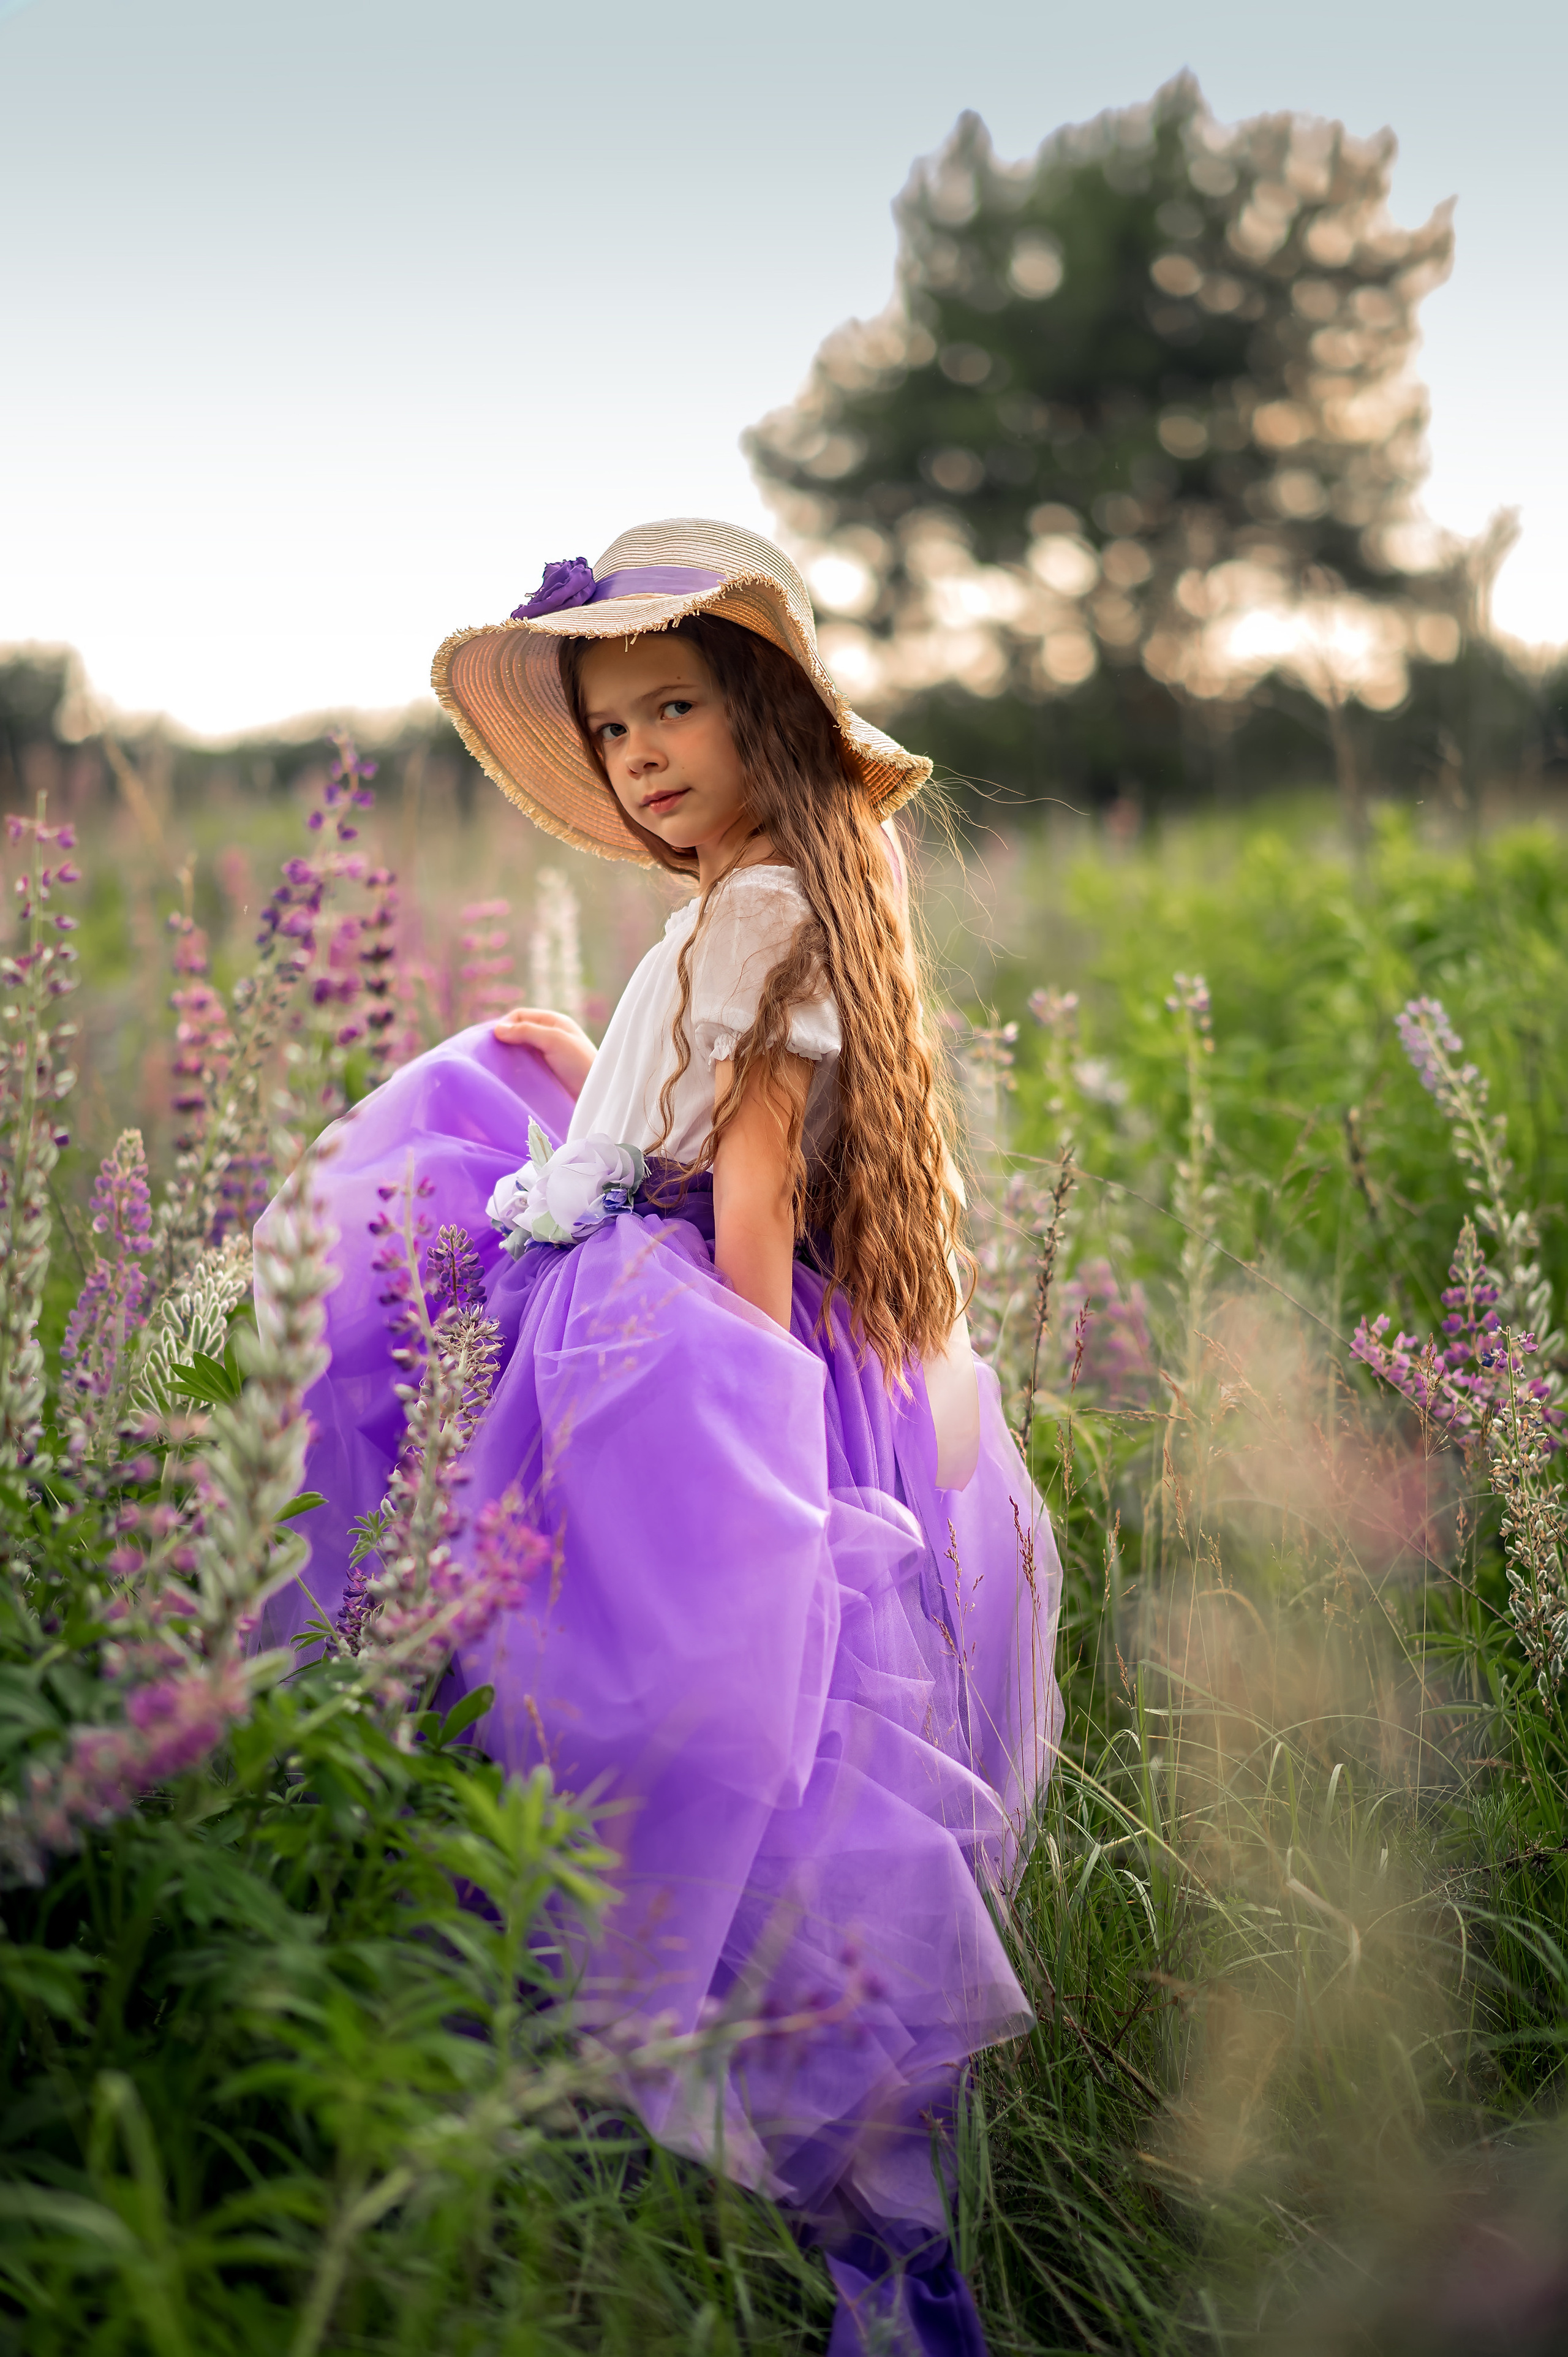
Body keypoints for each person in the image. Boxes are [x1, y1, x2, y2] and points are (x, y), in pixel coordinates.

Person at [258, 520, 1061, 2355]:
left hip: (693, 1338)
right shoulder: (756, 903)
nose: (639, 756)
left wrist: (757, 1429)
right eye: (615, 731)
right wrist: (587, 1064)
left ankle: (670, 2099)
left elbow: (758, 1175)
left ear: (759, 710)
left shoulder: (766, 909)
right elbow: (683, 1112)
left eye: (672, 707)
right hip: (657, 1289)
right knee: (485, 1088)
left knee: (664, 1698)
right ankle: (652, 2079)